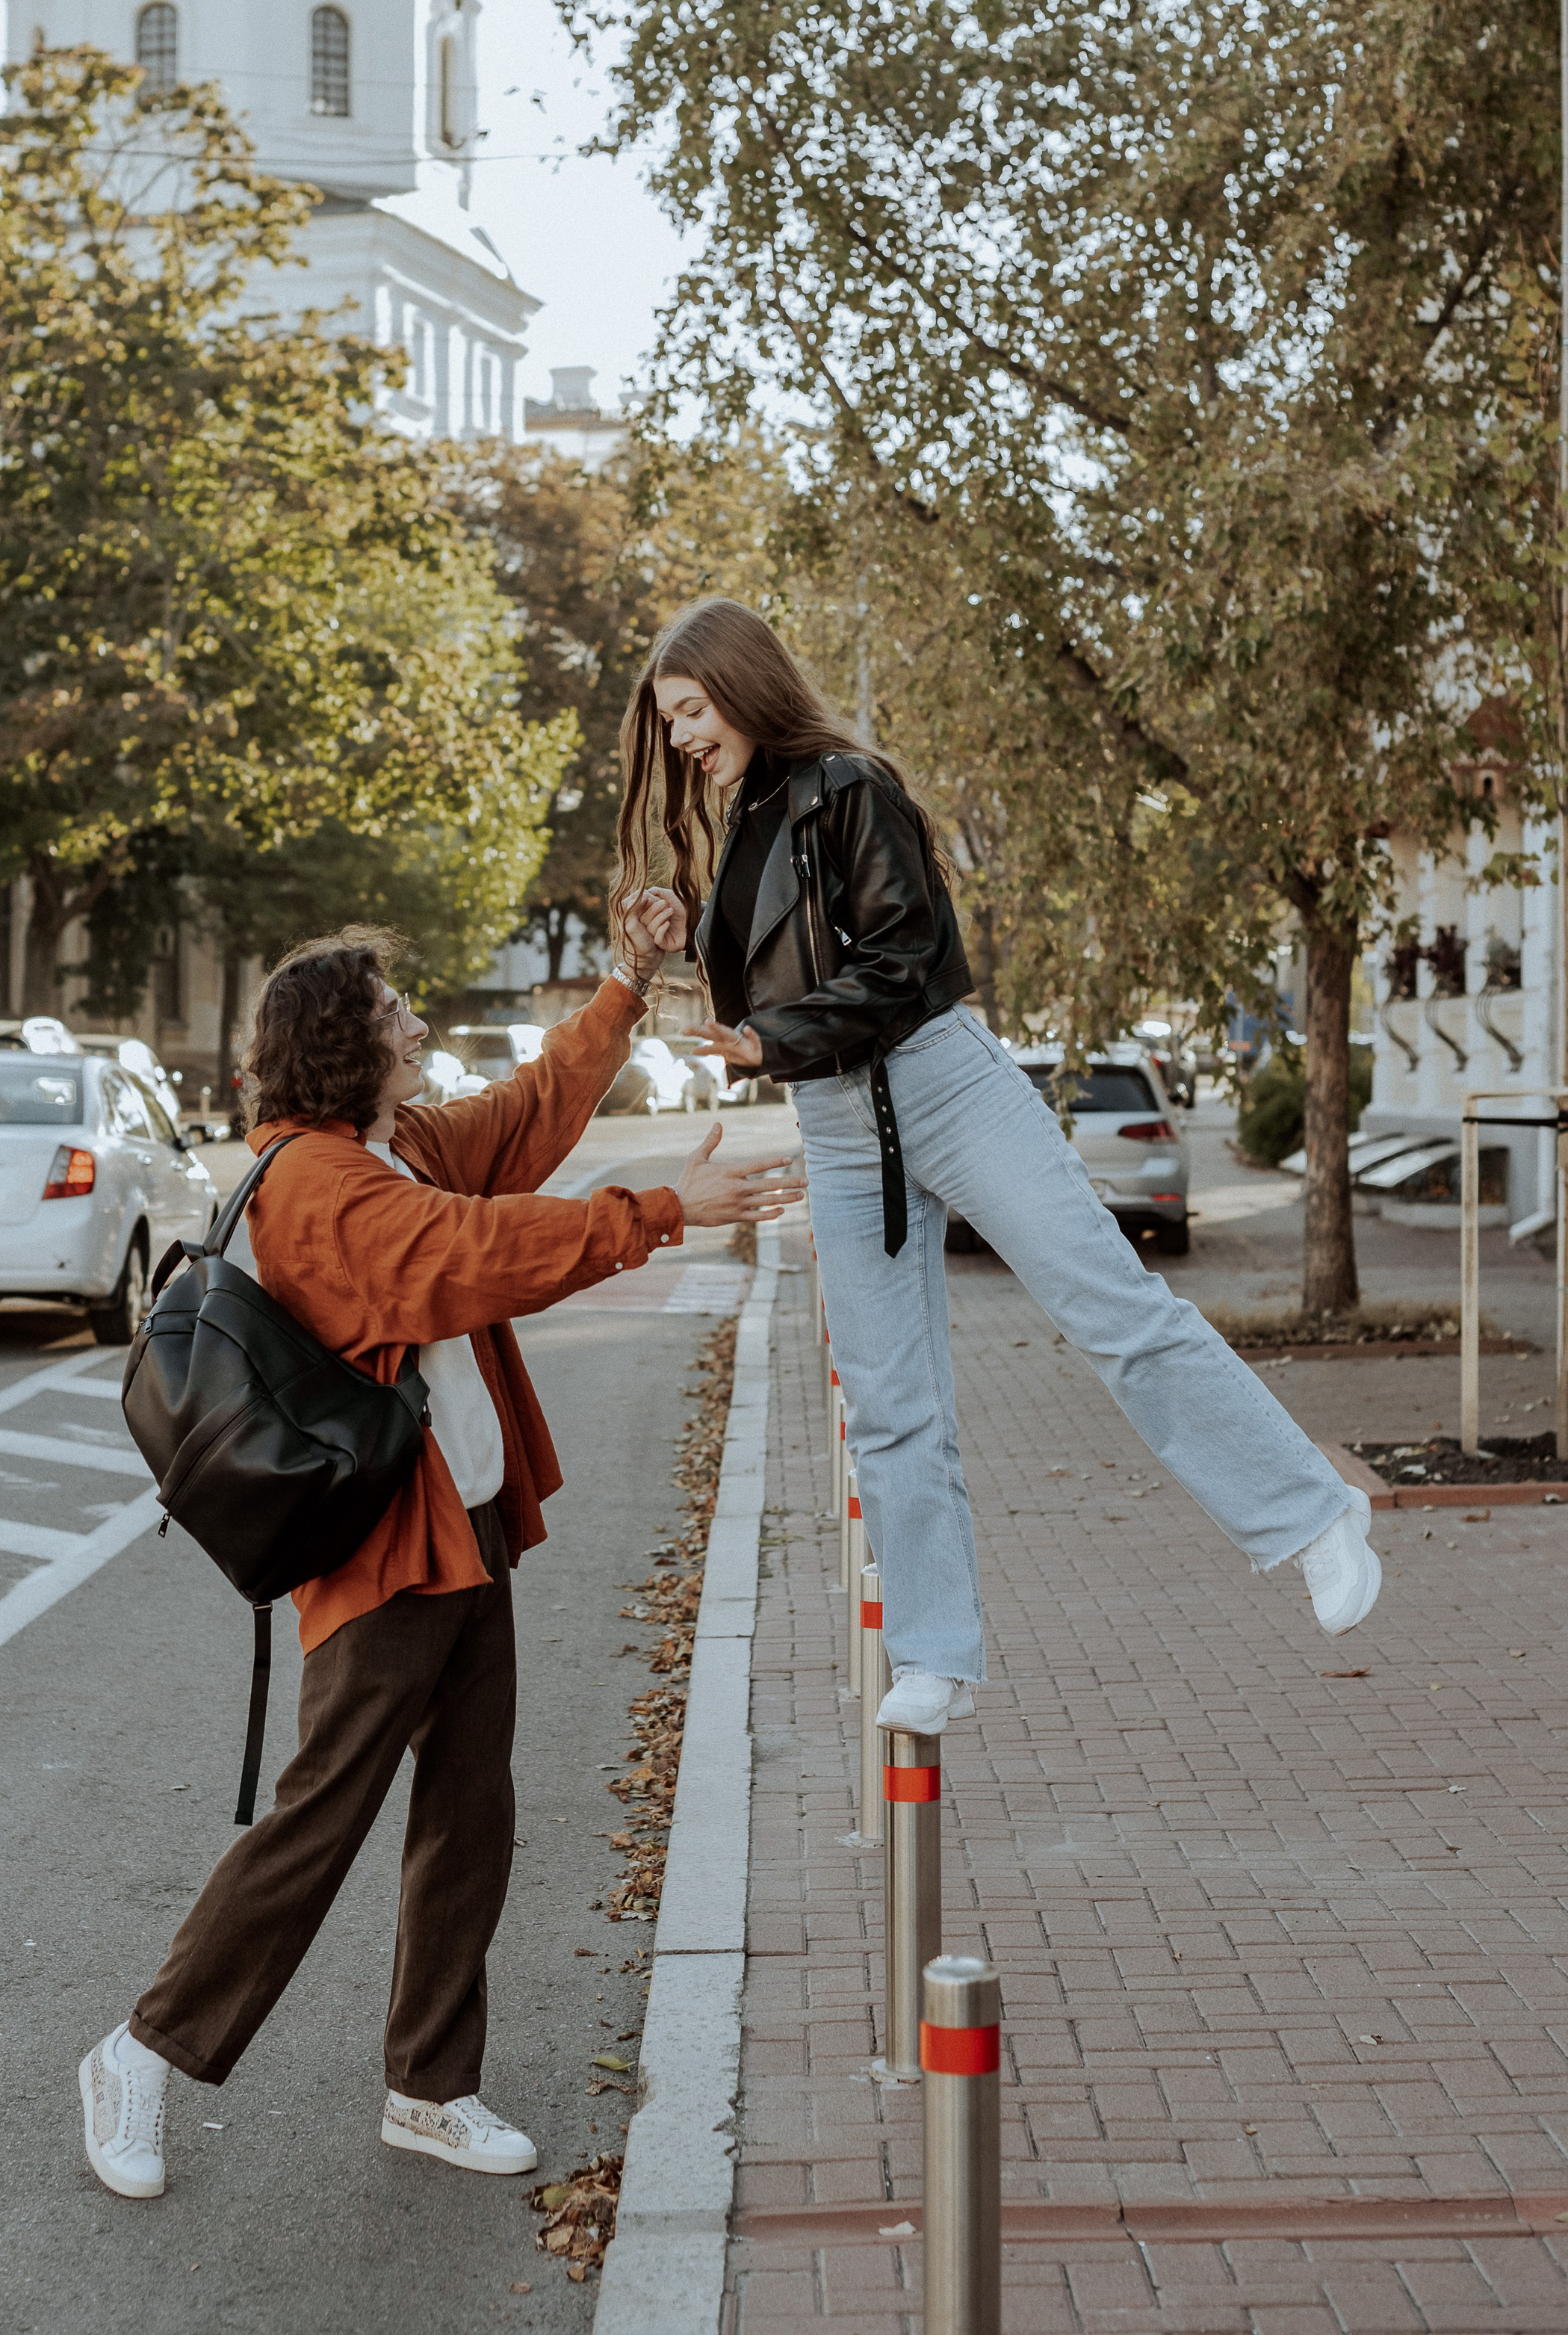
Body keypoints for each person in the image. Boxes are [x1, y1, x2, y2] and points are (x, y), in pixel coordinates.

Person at [81, 921, 804, 2203]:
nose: (415, 1024)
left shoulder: (393, 1143)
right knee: (323, 1818)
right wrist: (658, 1214)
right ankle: (143, 2050)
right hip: (382, 1551)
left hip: (461, 1528)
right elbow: (475, 1256)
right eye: (394, 1012)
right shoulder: (324, 1187)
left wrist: (627, 983)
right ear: (343, 1047)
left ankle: (430, 2085)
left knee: (472, 1810)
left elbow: (522, 1120)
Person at [614, 597, 1381, 1748]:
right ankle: (936, 1654)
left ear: (742, 684)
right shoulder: (743, 822)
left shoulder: (852, 786)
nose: (680, 738)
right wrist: (691, 940)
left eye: (690, 711)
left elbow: (904, 956)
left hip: (943, 1085)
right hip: (838, 1122)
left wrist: (771, 1039)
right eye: (669, 720)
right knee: (888, 1402)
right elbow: (786, 977)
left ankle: (1314, 1515)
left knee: (1117, 1314)